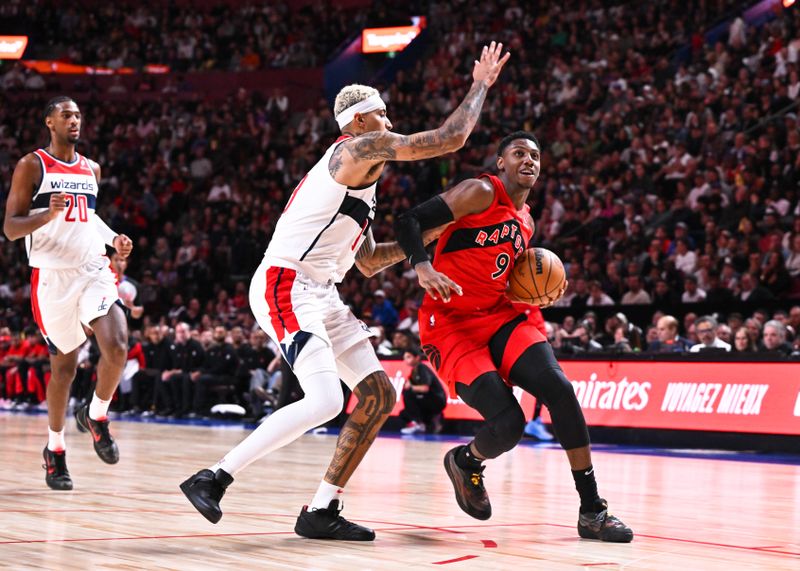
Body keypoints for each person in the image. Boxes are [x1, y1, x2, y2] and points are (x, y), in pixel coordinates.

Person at [180, 42, 510, 540]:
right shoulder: (356, 149)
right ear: (357, 121)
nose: (388, 119)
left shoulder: (363, 184)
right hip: (285, 281)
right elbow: (451, 137)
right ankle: (215, 477)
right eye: (381, 113)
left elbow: (372, 262)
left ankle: (321, 510)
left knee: (377, 394)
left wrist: (433, 234)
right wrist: (480, 84)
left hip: (322, 291)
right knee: (325, 401)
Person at [391, 131, 633, 542]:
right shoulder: (479, 192)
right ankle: (467, 461)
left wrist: (542, 290)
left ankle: (592, 509)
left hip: (501, 314)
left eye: (535, 155)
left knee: (559, 388)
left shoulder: (527, 221)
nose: (529, 160)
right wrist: (422, 266)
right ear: (501, 163)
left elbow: (513, 276)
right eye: (519, 153)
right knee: (509, 423)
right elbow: (406, 221)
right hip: (451, 324)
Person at [3, 96, 133, 490]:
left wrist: (114, 240)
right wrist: (46, 214)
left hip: (92, 268)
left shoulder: (91, 167)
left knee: (118, 345)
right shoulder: (32, 165)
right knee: (64, 368)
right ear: (50, 122)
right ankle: (55, 450)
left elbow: (89, 217)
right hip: (53, 277)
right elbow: (10, 227)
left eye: (77, 115)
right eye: (66, 115)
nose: (74, 120)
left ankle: (96, 415)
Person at [399, 346, 447, 435]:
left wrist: (411, 387)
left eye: (408, 357)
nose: (406, 360)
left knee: (408, 393)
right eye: (405, 357)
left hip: (437, 400)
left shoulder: (422, 368)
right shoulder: (414, 371)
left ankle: (419, 423)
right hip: (427, 400)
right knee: (403, 414)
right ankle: (427, 422)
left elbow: (425, 388)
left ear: (417, 357)